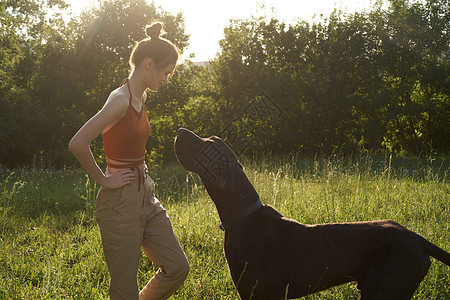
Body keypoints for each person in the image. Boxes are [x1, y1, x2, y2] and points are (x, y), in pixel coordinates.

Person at [69, 21, 189, 300]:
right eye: (166, 73)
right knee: (124, 286)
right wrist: (104, 180)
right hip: (120, 199)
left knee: (177, 266)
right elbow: (78, 142)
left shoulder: (141, 95)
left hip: (145, 191)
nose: (167, 79)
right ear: (149, 64)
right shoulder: (120, 100)